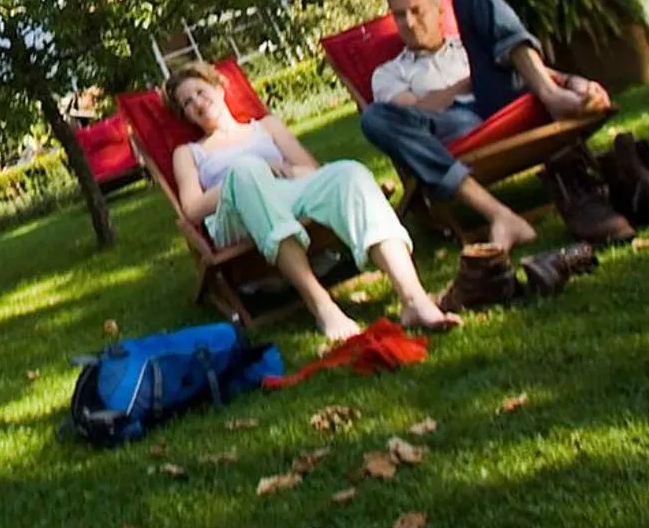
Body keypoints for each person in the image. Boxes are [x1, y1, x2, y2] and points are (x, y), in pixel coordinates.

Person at [165, 62, 460, 341]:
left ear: (219, 87)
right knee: (246, 171)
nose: (198, 103)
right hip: (233, 215)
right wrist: (251, 173)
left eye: (201, 92)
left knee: (348, 173)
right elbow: (191, 209)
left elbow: (311, 171)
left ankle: (414, 299)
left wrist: (281, 172)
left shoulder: (265, 127)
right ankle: (323, 307)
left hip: (285, 193)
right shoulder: (190, 152)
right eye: (188, 103)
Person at [359, 0, 611, 251]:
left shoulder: (472, 42)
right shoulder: (389, 72)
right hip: (452, 125)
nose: (408, 22)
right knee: (373, 117)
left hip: (500, 102)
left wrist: (575, 84)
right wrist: (467, 83)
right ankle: (499, 214)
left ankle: (551, 95)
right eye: (399, 15)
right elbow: (416, 111)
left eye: (417, 11)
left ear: (439, 11)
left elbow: (518, 69)